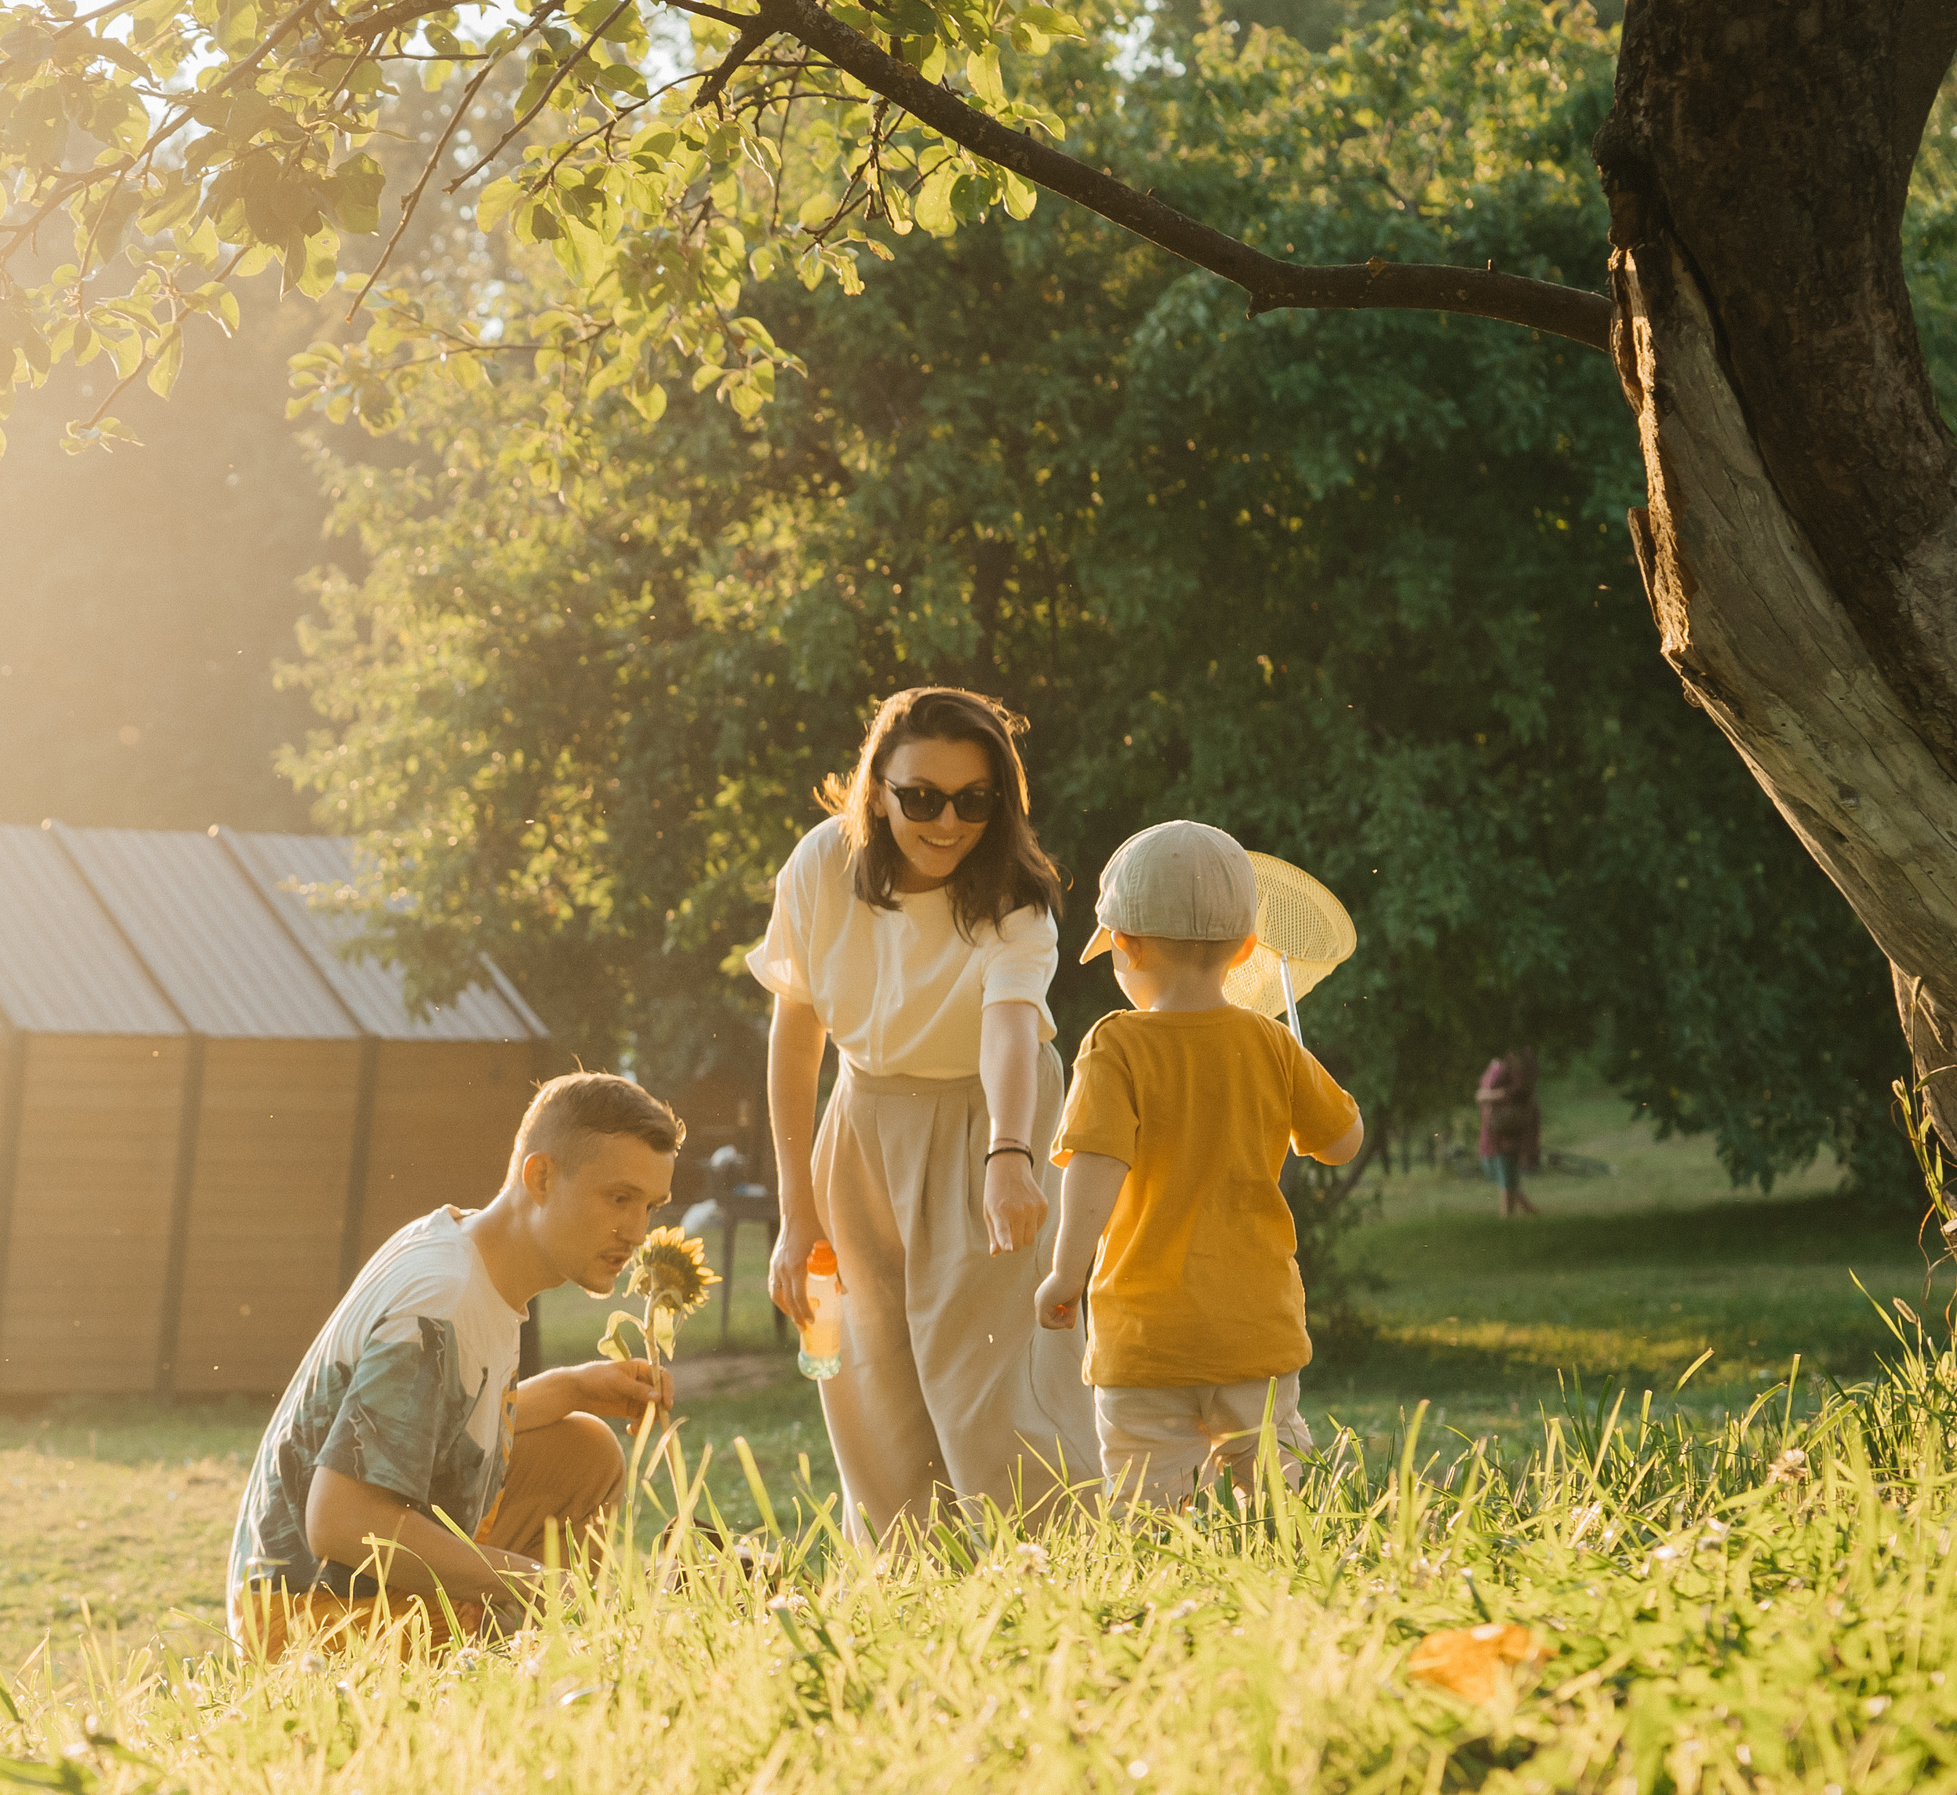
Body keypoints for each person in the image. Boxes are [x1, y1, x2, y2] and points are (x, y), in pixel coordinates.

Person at [751, 686, 1101, 1539]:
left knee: (978, 1371)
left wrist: (1012, 1157)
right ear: (877, 789)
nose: (947, 821)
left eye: (973, 800)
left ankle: (1056, 1559)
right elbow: (798, 1036)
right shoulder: (819, 868)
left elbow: (1011, 1031)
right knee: (860, 1361)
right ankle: (910, 1576)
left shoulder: (1015, 897)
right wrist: (797, 1212)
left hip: (991, 1116)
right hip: (863, 1114)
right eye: (920, 798)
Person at [225, 1071, 682, 1654]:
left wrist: (571, 1387)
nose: (637, 1231)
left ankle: (551, 1651)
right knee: (542, 1592)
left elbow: (433, 1427)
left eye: (651, 1206)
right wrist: (535, 1583)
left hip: (348, 1585)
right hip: (307, 1617)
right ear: (539, 1177)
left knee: (584, 1452)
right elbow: (338, 1520)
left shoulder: (468, 1248)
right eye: (619, 1198)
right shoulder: (441, 1300)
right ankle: (546, 1657)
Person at [1033, 820, 1366, 1510]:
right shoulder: (1271, 1044)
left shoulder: (1114, 1045)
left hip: (1147, 1335)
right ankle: (1283, 1584)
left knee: (1147, 1502)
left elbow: (1093, 1169)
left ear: (1123, 945)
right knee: (1274, 1486)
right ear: (1247, 947)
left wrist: (1067, 1272)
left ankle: (1158, 1601)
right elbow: (1343, 1143)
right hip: (1255, 1327)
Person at [1476, 1047, 1542, 1217]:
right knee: (1491, 1166)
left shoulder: (1518, 1058)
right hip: (1492, 1128)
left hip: (1508, 1125)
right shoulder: (1498, 1059)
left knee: (1506, 1170)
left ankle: (1507, 1219)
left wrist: (1489, 1096)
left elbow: (1520, 1091)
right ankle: (1530, 1210)